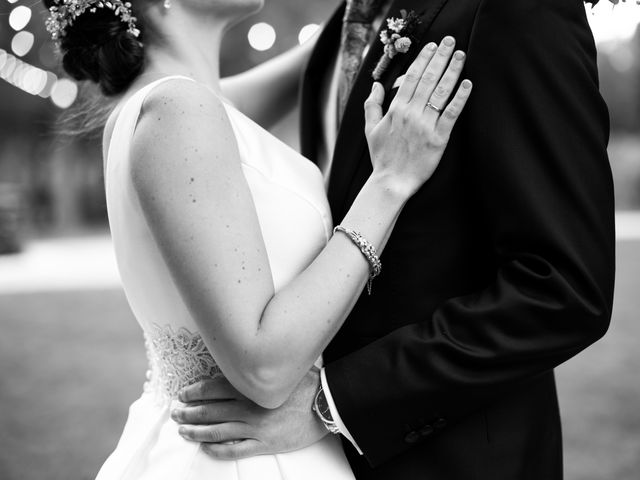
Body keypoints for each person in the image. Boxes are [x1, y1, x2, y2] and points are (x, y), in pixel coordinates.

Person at [173, 0, 617, 479]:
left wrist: (335, 401)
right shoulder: (334, 36)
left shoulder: (515, 10)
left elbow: (563, 289)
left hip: (459, 460)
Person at [42, 0, 472, 478]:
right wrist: (390, 182)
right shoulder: (179, 113)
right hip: (244, 459)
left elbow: (320, 57)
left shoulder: (178, 105)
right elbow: (263, 369)